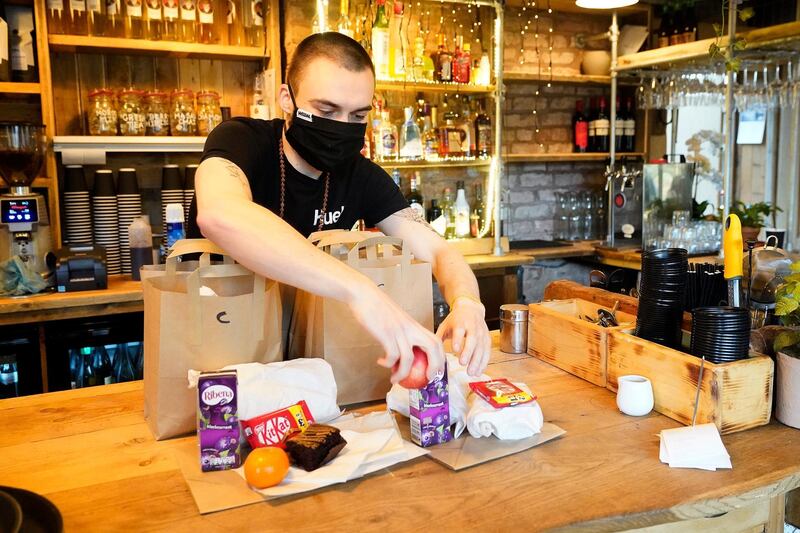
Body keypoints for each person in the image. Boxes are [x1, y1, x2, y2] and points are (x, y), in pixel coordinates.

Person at [190, 32, 490, 384]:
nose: (341, 127)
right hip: (221, 351)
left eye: (358, 115)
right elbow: (219, 214)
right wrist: (361, 291)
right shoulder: (241, 140)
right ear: (287, 98)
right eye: (326, 110)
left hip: (313, 366)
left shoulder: (361, 176)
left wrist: (468, 302)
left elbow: (438, 251)